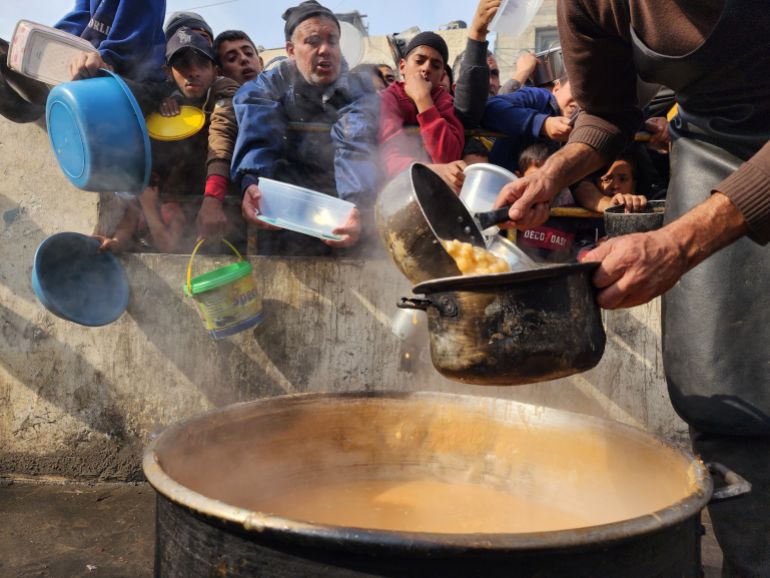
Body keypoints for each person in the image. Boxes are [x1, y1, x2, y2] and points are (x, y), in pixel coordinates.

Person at [494, 2, 770, 575]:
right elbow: (607, 114)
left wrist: (676, 243)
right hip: (713, 151)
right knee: (720, 392)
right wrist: (553, 173)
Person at [231, 0, 380, 256]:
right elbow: (257, 128)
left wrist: (358, 205)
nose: (325, 49)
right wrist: (250, 182)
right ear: (290, 50)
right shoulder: (268, 85)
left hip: (342, 215)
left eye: (332, 40)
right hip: (282, 216)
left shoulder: (359, 90)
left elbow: (355, 139)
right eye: (312, 41)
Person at [98, 28, 241, 253]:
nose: (193, 72)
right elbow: (141, 193)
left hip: (217, 200)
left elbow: (221, 137)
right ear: (168, 72)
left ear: (215, 69)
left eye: (201, 63)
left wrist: (213, 200)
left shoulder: (225, 89)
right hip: (175, 203)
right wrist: (118, 239)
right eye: (183, 65)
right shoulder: (161, 101)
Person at [0, 0, 167, 123]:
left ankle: (39, 106)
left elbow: (137, 26)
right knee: (16, 55)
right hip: (91, 64)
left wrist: (108, 57)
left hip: (134, 80)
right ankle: (35, 101)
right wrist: (47, 41)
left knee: (95, 86)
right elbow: (79, 17)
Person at [379, 31, 465, 191]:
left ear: (441, 77)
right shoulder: (388, 98)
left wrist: (423, 100)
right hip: (395, 191)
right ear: (403, 67)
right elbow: (388, 158)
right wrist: (429, 171)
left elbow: (449, 157)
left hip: (436, 193)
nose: (426, 69)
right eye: (419, 61)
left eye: (436, 65)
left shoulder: (445, 101)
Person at [482, 76, 578, 173]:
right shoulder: (538, 98)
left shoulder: (584, 126)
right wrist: (543, 124)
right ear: (556, 88)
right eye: (577, 90)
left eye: (589, 98)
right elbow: (489, 108)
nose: (579, 102)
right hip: (497, 178)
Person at [573, 153, 648, 213]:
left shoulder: (645, 207)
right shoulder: (583, 216)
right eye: (607, 179)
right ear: (596, 183)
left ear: (633, 184)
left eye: (623, 179)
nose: (615, 186)